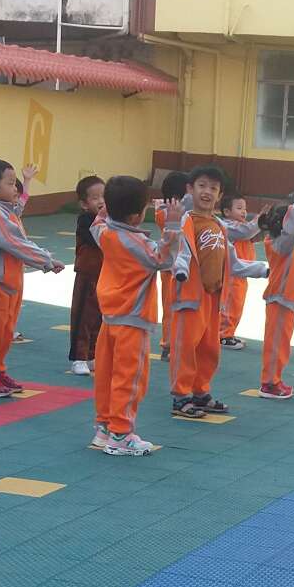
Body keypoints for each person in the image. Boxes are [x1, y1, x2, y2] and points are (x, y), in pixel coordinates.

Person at [90, 174, 176, 456]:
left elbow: (97, 223)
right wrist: (173, 226)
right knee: (130, 379)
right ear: (136, 216)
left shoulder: (105, 233)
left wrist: (105, 210)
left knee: (106, 375)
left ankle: (105, 428)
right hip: (133, 321)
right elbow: (164, 259)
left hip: (109, 319)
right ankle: (121, 434)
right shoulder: (135, 242)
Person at [169, 165, 264, 420]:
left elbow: (233, 262)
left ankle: (200, 391)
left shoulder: (219, 225)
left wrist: (262, 269)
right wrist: (181, 271)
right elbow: (180, 252)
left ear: (220, 195)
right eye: (201, 186)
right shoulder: (186, 221)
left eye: (213, 188)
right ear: (190, 189)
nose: (207, 192)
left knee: (209, 348)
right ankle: (181, 396)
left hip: (213, 296)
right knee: (186, 347)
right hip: (190, 298)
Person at [0, 155, 63, 398]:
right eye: (11, 183)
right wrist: (46, 260)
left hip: (11, 281)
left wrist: (27, 181)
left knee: (5, 331)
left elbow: (19, 209)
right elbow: (13, 242)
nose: (16, 188)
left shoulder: (7, 210)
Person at [256, 166, 294, 401]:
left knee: (282, 343)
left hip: (287, 301)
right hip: (280, 300)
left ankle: (275, 379)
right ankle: (269, 383)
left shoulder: (289, 243)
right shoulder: (279, 244)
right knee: (276, 344)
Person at [68, 175, 105, 378]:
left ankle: (92, 354)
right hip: (87, 273)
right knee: (83, 316)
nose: (101, 201)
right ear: (84, 204)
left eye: (104, 196)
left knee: (99, 316)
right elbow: (97, 239)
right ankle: (78, 357)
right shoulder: (86, 220)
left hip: (104, 274)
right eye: (95, 198)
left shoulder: (108, 220)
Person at [154, 170, 191, 363]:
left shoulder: (174, 210)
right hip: (170, 268)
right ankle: (168, 344)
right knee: (170, 308)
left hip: (182, 265)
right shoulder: (165, 212)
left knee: (183, 307)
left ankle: (179, 342)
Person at [220, 196, 255, 351]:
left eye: (245, 208)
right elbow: (247, 232)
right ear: (227, 212)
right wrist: (259, 221)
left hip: (242, 273)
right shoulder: (230, 226)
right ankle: (223, 334)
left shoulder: (243, 226)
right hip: (232, 273)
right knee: (229, 305)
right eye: (239, 208)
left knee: (237, 305)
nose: (244, 212)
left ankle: (229, 332)